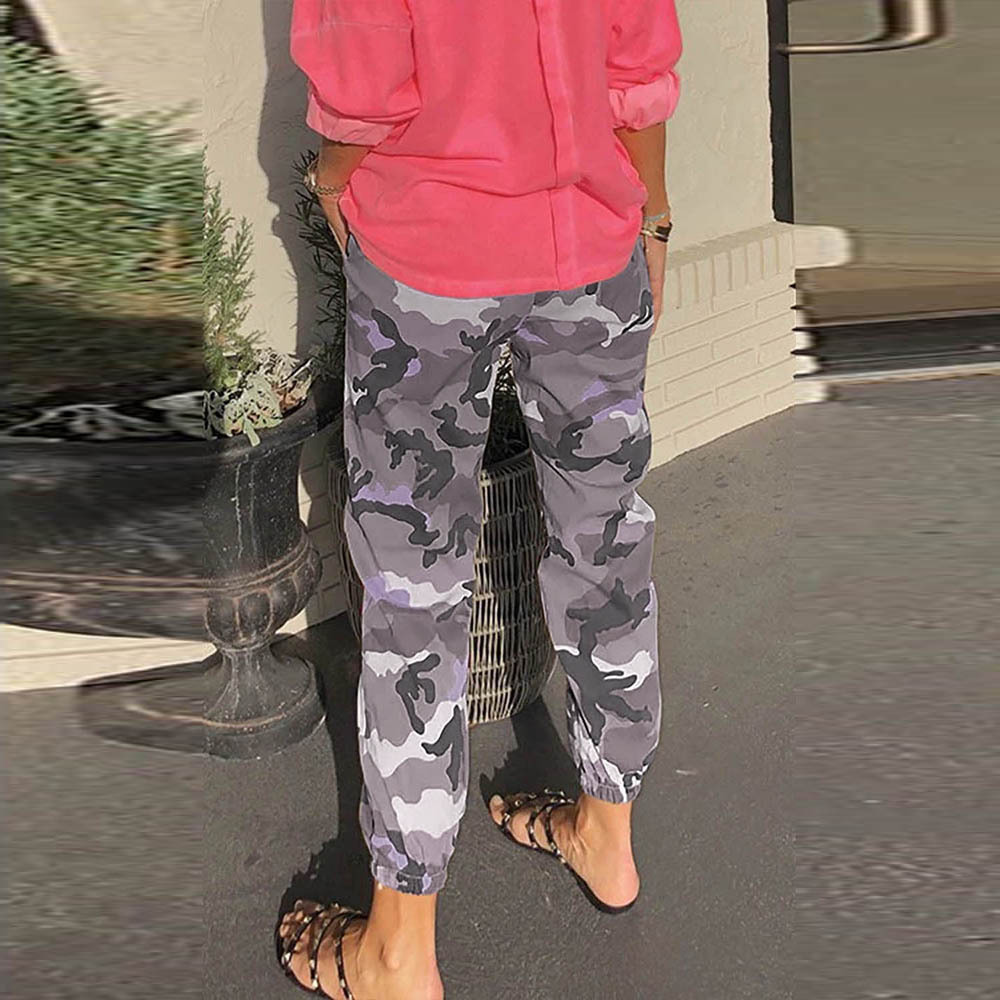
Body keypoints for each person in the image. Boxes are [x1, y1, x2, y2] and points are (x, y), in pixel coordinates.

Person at [277, 2, 682, 998]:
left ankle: (398, 945)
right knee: (605, 544)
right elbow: (637, 65)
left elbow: (363, 90)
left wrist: (333, 186)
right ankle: (608, 834)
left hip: (431, 259)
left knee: (413, 583)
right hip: (592, 246)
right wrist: (654, 214)